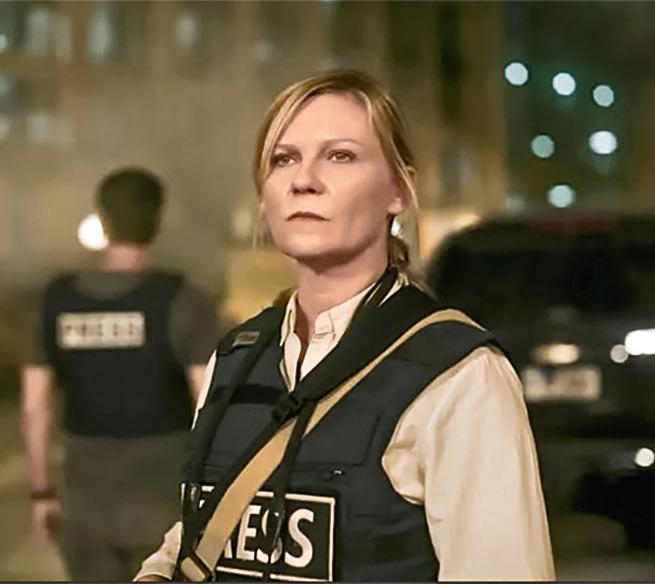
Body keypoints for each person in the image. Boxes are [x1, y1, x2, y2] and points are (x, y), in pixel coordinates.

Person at [135, 70, 555, 582]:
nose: (304, 179)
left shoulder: (458, 377)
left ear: (398, 190)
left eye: (340, 156)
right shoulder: (236, 355)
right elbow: (199, 529)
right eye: (283, 159)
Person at [21, 167, 220, 581]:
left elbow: (35, 408)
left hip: (85, 509)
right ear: (158, 221)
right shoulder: (182, 299)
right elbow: (210, 404)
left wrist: (41, 492)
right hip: (164, 508)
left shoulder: (57, 300)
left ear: (102, 221)